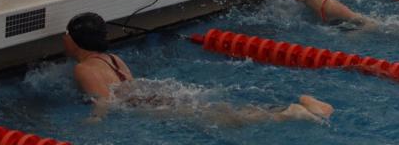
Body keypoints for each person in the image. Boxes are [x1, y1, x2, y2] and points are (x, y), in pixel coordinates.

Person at [65, 12, 334, 124]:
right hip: (155, 95)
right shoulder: (113, 59)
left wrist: (95, 120)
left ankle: (292, 112)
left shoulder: (84, 69)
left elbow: (105, 100)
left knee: (226, 120)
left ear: (74, 40)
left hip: (145, 103)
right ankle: (290, 109)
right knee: (218, 111)